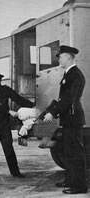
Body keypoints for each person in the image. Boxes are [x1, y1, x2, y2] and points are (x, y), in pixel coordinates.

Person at [43, 45, 88, 194]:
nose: (59, 60)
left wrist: (53, 113)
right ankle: (70, 180)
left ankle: (79, 186)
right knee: (69, 152)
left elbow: (68, 99)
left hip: (73, 119)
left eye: (61, 57)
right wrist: (49, 111)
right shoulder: (69, 74)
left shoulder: (75, 75)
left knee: (76, 153)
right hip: (69, 118)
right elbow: (62, 99)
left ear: (68, 57)